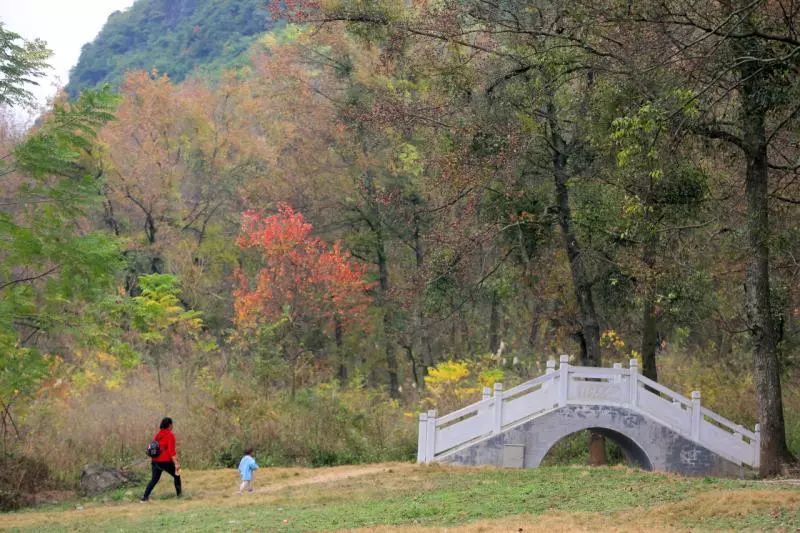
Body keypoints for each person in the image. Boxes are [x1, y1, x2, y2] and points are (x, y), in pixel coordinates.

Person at [141, 417, 182, 501]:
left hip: (155, 461)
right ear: (170, 425)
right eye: (172, 424)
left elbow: (154, 448)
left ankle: (144, 498)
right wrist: (176, 463)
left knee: (154, 480)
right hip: (165, 461)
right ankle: (180, 496)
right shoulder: (170, 435)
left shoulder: (158, 434)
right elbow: (171, 451)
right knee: (177, 475)